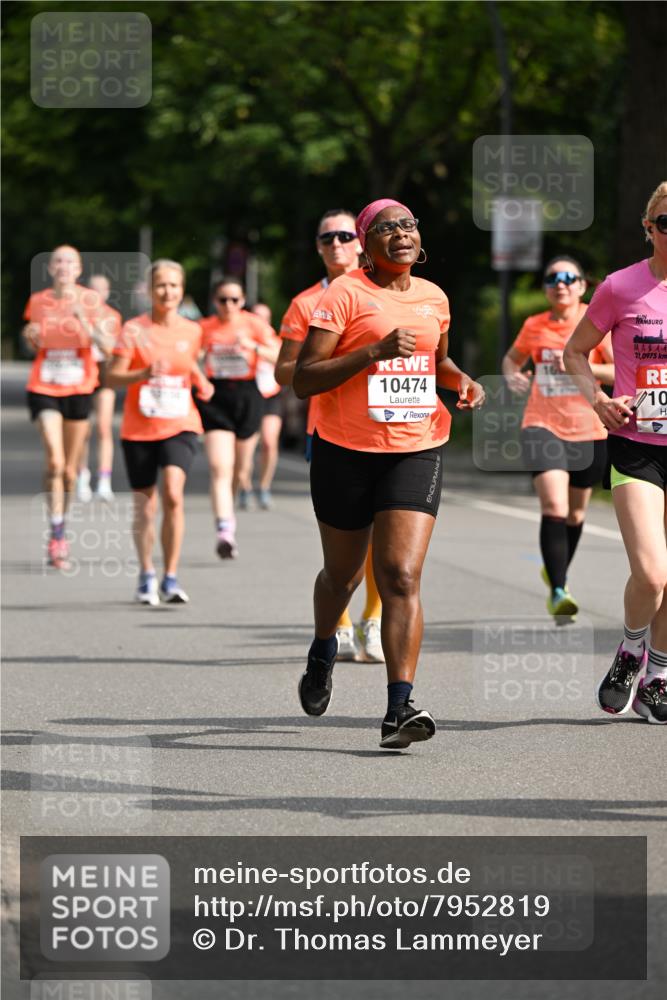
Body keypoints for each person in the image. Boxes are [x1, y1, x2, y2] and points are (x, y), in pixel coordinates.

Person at [292, 199, 485, 748]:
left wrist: (462, 381)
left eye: (408, 225)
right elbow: (305, 378)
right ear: (366, 243)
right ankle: (323, 648)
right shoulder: (346, 293)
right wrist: (373, 352)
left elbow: (436, 362)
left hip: (415, 445)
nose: (401, 234)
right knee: (343, 577)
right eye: (386, 228)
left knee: (400, 574)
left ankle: (400, 707)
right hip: (346, 450)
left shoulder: (434, 298)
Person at [564, 181, 667, 724]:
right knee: (651, 573)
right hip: (637, 445)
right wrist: (600, 401)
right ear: (650, 228)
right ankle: (631, 649)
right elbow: (574, 353)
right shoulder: (620, 287)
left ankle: (659, 674)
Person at [275, 208, 385, 663]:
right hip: (334, 431)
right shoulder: (305, 304)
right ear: (318, 248)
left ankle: (374, 621)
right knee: (345, 541)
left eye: (344, 235)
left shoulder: (390, 293)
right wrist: (336, 360)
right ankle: (338, 623)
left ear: (360, 242)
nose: (336, 244)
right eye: (327, 239)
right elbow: (284, 370)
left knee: (386, 529)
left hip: (390, 425)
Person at [502, 256, 614, 619]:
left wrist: (578, 363)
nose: (560, 283)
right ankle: (559, 588)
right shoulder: (534, 325)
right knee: (555, 507)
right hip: (542, 424)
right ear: (546, 288)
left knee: (576, 513)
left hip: (589, 427)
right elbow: (512, 359)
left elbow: (616, 370)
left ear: (582, 285)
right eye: (552, 278)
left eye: (569, 278)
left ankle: (556, 570)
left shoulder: (597, 323)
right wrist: (512, 375)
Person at [107, 259, 214, 605]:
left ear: (182, 291)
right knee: (146, 505)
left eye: (174, 285)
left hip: (180, 423)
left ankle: (170, 576)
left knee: (173, 493)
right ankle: (145, 574)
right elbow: (109, 377)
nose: (168, 292)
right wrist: (140, 375)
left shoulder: (193, 330)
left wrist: (202, 383)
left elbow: (191, 365)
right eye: (161, 286)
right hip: (139, 428)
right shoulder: (133, 330)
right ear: (150, 291)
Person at [23, 245, 110, 570]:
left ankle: (61, 528)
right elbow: (33, 341)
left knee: (70, 473)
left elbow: (107, 345)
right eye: (57, 261)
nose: (63, 266)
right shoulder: (39, 301)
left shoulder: (90, 300)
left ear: (78, 268)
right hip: (44, 386)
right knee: (56, 462)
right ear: (50, 269)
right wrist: (30, 336)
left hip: (79, 388)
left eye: (69, 261)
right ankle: (56, 534)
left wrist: (84, 321)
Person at [196, 277, 279, 557]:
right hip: (215, 396)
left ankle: (228, 512)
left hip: (247, 396)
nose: (228, 305)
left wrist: (253, 346)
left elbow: (279, 356)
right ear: (214, 301)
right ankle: (224, 530)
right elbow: (187, 358)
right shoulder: (204, 328)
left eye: (234, 300)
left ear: (242, 301)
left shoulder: (254, 325)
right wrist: (198, 357)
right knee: (221, 467)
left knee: (240, 470)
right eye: (222, 300)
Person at [76, 274, 122, 503]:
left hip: (103, 375)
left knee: (104, 427)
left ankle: (104, 480)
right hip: (81, 374)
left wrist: (88, 327)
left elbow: (109, 349)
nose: (96, 294)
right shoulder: (75, 314)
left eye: (101, 290)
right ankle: (81, 476)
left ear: (107, 293)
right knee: (82, 430)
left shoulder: (112, 317)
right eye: (92, 290)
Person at [250, 302, 283, 509]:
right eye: (256, 316)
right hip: (248, 396)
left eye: (265, 317)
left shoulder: (274, 339)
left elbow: (281, 359)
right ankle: (244, 485)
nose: (260, 321)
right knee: (245, 449)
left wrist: (256, 348)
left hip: (271, 396)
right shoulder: (240, 336)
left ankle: (263, 487)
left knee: (269, 443)